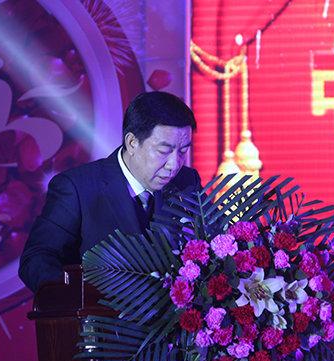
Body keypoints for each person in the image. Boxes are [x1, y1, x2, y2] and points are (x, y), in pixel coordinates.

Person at [18, 91, 202, 292]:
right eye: (163, 151)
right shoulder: (77, 187)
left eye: (183, 151)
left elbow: (215, 244)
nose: (174, 165)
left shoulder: (187, 181)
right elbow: (36, 260)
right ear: (132, 143)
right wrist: (80, 298)